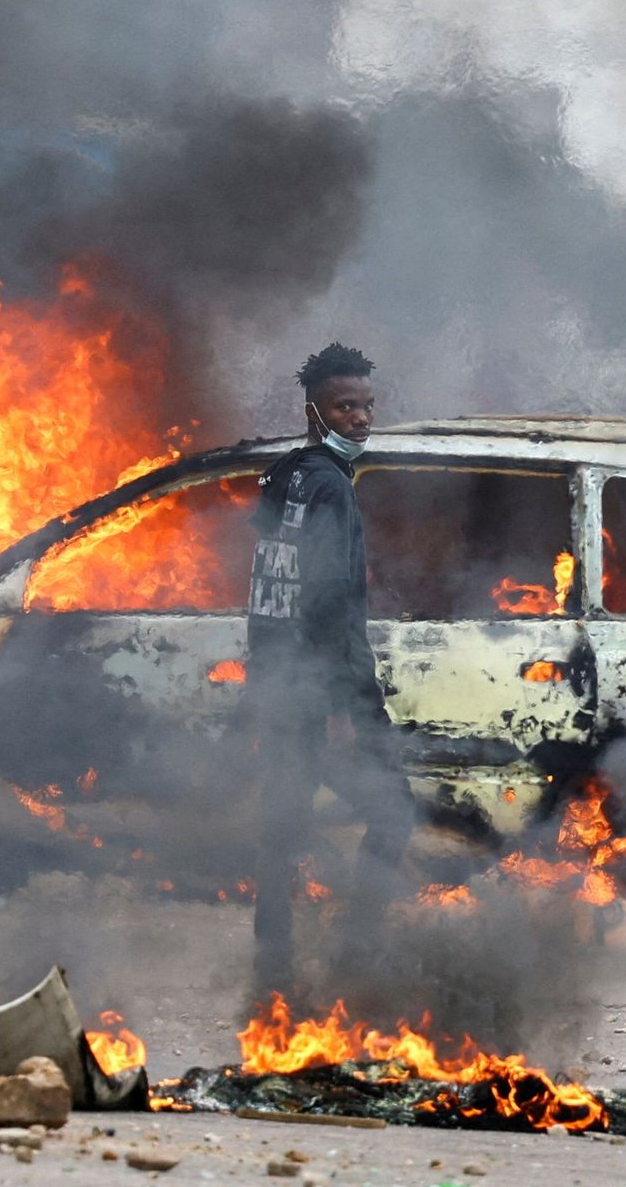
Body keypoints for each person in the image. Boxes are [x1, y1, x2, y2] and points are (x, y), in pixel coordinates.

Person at [244, 342, 415, 993]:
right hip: (323, 692)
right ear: (315, 412)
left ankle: (274, 958)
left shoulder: (282, 476)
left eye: (368, 406)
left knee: (282, 823)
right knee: (393, 814)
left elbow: (266, 586)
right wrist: (342, 709)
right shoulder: (332, 490)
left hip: (280, 685)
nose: (362, 419)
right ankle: (359, 951)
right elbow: (328, 601)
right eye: (347, 407)